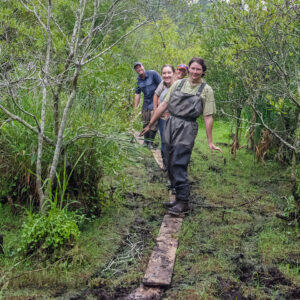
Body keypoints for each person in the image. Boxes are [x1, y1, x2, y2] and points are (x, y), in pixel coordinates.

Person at [140, 57, 222, 215]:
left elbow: (208, 116)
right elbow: (163, 105)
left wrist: (210, 141)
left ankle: (183, 202)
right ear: (189, 69)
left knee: (179, 161)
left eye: (198, 69)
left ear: (203, 72)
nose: (195, 72)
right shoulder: (178, 84)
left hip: (187, 127)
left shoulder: (206, 90)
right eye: (193, 68)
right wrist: (150, 124)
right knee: (169, 161)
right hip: (171, 123)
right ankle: (177, 198)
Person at [134, 62, 162, 149]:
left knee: (154, 123)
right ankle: (145, 141)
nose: (139, 69)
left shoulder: (153, 74)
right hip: (146, 103)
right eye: (137, 68)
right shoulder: (137, 80)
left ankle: (151, 143)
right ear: (135, 70)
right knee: (145, 122)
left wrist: (160, 102)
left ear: (143, 66)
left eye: (140, 67)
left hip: (156, 102)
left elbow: (162, 85)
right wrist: (135, 108)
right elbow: (137, 94)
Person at [153, 64, 176, 167]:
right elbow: (156, 95)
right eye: (164, 73)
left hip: (176, 120)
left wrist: (171, 112)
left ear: (173, 74)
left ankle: (174, 165)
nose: (166, 75)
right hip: (162, 119)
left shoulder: (179, 85)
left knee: (174, 143)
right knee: (164, 142)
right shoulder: (162, 84)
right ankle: (165, 165)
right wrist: (156, 110)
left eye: (169, 72)